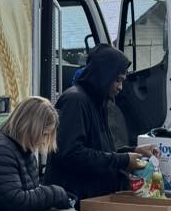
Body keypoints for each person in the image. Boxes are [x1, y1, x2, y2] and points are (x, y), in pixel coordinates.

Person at [43, 45, 152, 200]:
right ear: (104, 75)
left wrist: (133, 151)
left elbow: (97, 149)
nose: (120, 87)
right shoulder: (75, 101)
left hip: (89, 199)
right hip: (73, 201)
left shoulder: (96, 102)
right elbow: (70, 154)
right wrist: (122, 160)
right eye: (117, 80)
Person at [0, 96, 72, 211]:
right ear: (30, 127)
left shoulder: (22, 147)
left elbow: (29, 192)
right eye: (44, 134)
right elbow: (17, 201)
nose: (43, 141)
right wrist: (56, 194)